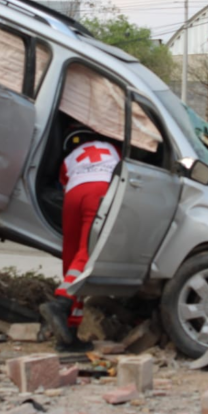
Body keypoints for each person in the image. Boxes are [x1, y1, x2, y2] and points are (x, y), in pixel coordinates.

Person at [40, 127, 121, 351]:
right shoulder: (113, 149)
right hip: (100, 191)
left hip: (73, 195)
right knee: (88, 253)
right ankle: (61, 303)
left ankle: (69, 334)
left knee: (72, 257)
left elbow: (63, 182)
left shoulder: (70, 157)